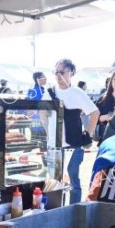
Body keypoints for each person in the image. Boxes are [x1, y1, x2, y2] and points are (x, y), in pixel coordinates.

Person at [42, 58, 100, 205]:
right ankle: (54, 210)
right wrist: (48, 132)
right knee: (53, 182)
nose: (58, 75)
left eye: (62, 72)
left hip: (74, 144)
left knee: (73, 180)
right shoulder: (49, 92)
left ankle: (74, 210)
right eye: (56, 72)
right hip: (54, 145)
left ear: (71, 73)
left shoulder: (77, 93)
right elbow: (42, 112)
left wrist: (88, 134)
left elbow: (94, 113)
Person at [94, 68, 115, 143]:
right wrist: (105, 117)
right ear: (111, 81)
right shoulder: (103, 99)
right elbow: (95, 119)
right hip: (106, 138)